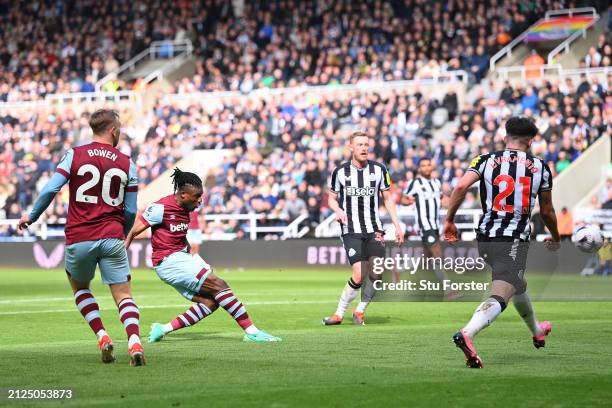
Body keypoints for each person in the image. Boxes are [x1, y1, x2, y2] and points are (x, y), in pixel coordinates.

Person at [18, 109, 144, 366]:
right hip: (111, 235)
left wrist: (32, 216)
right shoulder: (127, 163)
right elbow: (130, 209)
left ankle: (102, 336)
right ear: (112, 130)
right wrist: (122, 232)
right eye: (118, 128)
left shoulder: (74, 155)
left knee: (80, 288)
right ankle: (134, 342)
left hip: (80, 236)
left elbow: (52, 188)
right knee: (123, 294)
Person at [443, 116, 560, 368]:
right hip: (513, 238)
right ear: (531, 141)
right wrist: (557, 237)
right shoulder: (540, 167)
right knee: (501, 294)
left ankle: (537, 330)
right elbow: (548, 210)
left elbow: (461, 186)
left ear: (504, 137)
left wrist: (449, 220)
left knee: (518, 283)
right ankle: (467, 333)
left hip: (485, 238)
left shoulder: (484, 160)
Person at [125, 168, 281, 343]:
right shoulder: (160, 208)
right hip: (169, 262)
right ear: (183, 194)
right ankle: (252, 332)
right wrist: (121, 258)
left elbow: (179, 236)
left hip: (181, 258)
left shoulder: (185, 207)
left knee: (211, 302)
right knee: (219, 285)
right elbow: (133, 230)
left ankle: (162, 329)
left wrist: (195, 258)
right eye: (197, 196)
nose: (200, 200)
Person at [322, 131, 404, 326]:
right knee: (359, 274)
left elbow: (387, 198)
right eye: (359, 145)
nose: (364, 148)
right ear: (350, 147)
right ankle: (338, 314)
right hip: (351, 229)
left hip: (374, 228)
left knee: (376, 272)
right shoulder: (340, 172)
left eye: (366, 144)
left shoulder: (379, 170)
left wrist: (397, 225)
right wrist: (338, 210)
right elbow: (331, 199)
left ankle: (359, 311)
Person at [402, 158, 459, 299]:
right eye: (423, 166)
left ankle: (420, 287)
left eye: (428, 165)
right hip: (424, 225)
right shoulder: (414, 183)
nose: (426, 168)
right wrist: (407, 201)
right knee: (438, 254)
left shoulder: (436, 183)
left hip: (435, 225)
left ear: (432, 167)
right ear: (419, 168)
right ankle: (449, 289)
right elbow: (403, 199)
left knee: (427, 260)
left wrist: (448, 202)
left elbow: (442, 199)